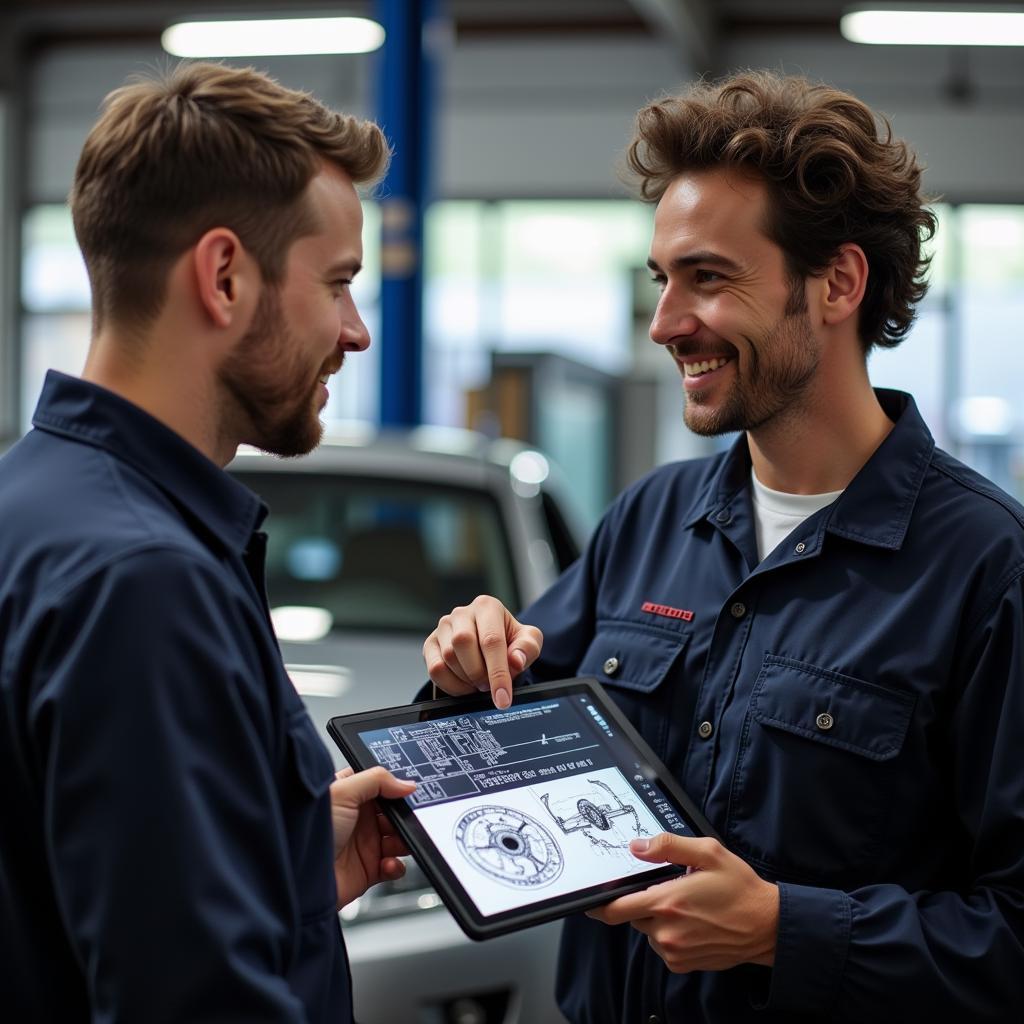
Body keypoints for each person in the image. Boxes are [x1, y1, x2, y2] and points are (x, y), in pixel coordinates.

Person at [423, 71, 1024, 1022]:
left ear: (837, 283)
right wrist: (467, 672)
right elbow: (511, 759)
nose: (664, 324)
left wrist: (788, 929)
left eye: (709, 278)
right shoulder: (650, 521)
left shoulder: (987, 570)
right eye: (662, 280)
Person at [0, 62, 417, 1023]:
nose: (356, 334)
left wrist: (277, 863)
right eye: (339, 285)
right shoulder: (145, 578)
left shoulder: (35, 506)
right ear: (224, 274)